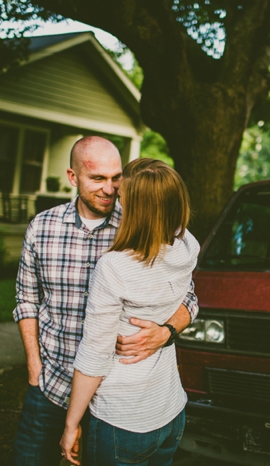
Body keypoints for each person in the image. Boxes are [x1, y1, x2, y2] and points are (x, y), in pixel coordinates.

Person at [12, 137, 198, 466]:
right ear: (73, 177)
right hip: (51, 384)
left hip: (111, 400)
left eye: (116, 178)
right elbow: (27, 300)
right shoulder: (41, 227)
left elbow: (189, 296)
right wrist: (34, 368)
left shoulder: (142, 224)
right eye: (97, 179)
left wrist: (166, 331)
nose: (110, 189)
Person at [60, 159, 199, 466]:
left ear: (136, 209)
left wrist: (71, 423)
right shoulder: (187, 246)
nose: (116, 200)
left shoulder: (115, 267)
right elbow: (191, 298)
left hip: (123, 421)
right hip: (171, 413)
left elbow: (95, 355)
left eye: (122, 197)